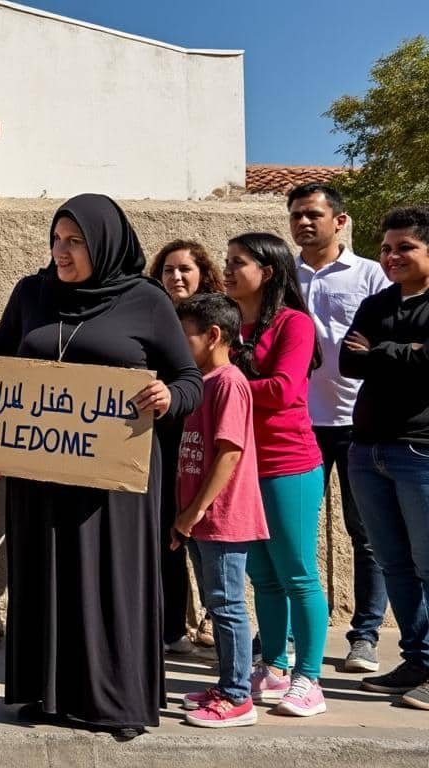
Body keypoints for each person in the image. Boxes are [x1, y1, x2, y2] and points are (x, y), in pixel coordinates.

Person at [0, 193, 203, 739]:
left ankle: (115, 702)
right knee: (45, 576)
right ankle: (47, 694)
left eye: (75, 241)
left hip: (113, 479)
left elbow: (189, 381)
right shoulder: (32, 293)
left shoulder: (146, 299)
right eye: (56, 239)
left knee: (109, 583)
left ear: (103, 242)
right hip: (40, 471)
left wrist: (168, 397)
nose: (62, 251)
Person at [222, 232, 329, 717]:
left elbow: (284, 390)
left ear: (267, 272)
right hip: (243, 466)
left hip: (289, 464)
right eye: (226, 261)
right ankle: (275, 664)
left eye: (237, 262)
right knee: (263, 577)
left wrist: (225, 384)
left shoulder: (294, 324)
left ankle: (310, 678)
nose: (226, 270)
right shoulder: (229, 325)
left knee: (298, 574)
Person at [288, 183, 392, 674]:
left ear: (340, 220)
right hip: (297, 425)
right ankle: (287, 633)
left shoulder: (370, 274)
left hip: (357, 423)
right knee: (293, 533)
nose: (304, 223)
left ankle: (365, 636)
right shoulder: (283, 276)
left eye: (312, 214)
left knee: (365, 533)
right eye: (296, 216)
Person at [343, 205, 429, 711]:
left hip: (419, 451)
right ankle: (417, 660)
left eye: (405, 248)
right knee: (395, 563)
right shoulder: (377, 303)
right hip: (367, 451)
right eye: (387, 248)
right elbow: (347, 359)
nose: (392, 256)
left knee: (427, 562)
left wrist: (380, 352)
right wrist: (406, 351)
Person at [172, 293, 268, 728]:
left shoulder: (228, 382)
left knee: (227, 605)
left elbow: (229, 454)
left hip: (222, 518)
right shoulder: (202, 382)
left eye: (183, 334)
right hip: (197, 519)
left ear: (213, 336)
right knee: (217, 600)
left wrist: (193, 512)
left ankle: (236, 696)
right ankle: (226, 685)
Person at [149, 239, 225, 652]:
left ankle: (216, 616)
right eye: (167, 270)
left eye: (184, 270)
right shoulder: (150, 313)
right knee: (169, 532)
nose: (175, 277)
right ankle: (172, 625)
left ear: (202, 276)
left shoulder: (217, 318)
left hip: (205, 436)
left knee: (208, 531)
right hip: (163, 437)